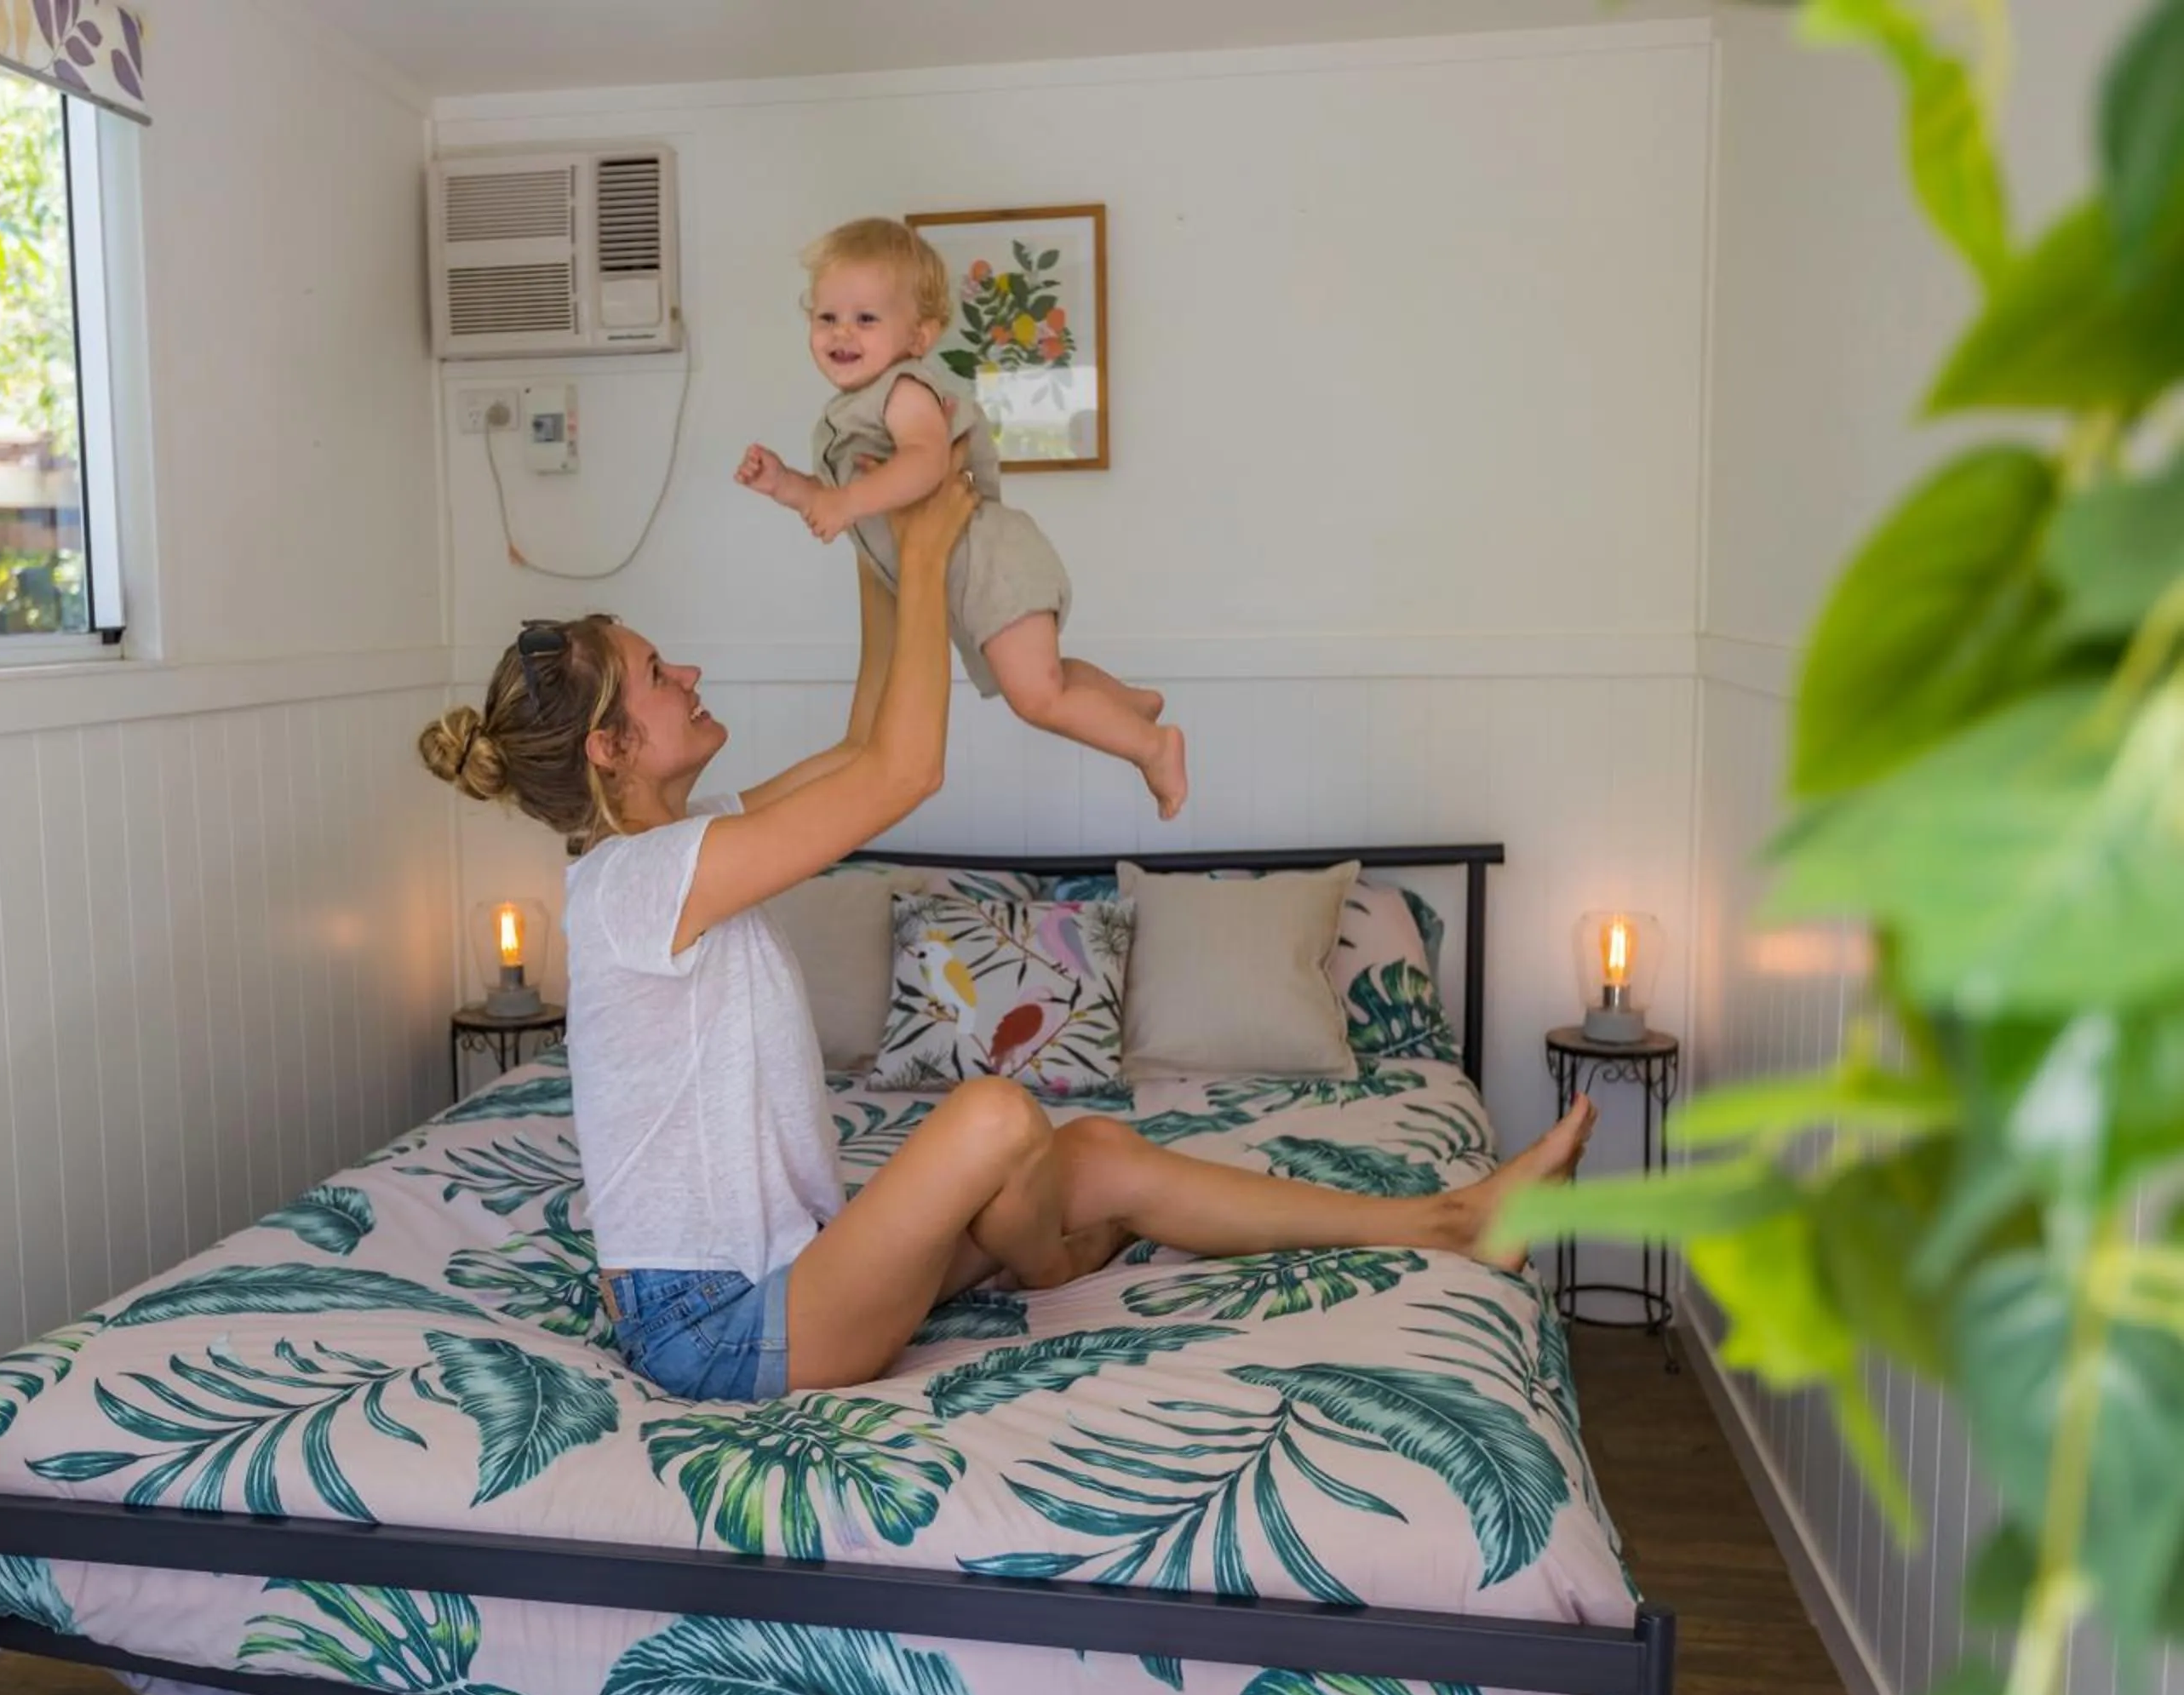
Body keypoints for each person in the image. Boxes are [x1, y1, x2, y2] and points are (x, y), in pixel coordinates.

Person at [419, 443, 1593, 1403]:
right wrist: (931, 552)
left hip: (805, 1276)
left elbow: (871, 734)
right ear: (610, 751)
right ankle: (1045, 1252)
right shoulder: (636, 885)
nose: (690, 670)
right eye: (657, 674)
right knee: (988, 1115)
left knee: (1091, 1152)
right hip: (725, 1331)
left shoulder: (681, 847)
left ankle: (1447, 1218)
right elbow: (904, 775)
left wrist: (882, 540)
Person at [735, 215, 1191, 820]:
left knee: (1035, 697)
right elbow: (844, 494)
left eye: (866, 318)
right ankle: (1129, 704)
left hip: (989, 561)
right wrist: (787, 486)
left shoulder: (905, 390)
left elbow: (926, 464)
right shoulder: (851, 411)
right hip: (966, 574)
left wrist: (844, 503)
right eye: (827, 317)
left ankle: (1153, 746)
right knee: (1038, 677)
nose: (842, 332)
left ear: (919, 336)